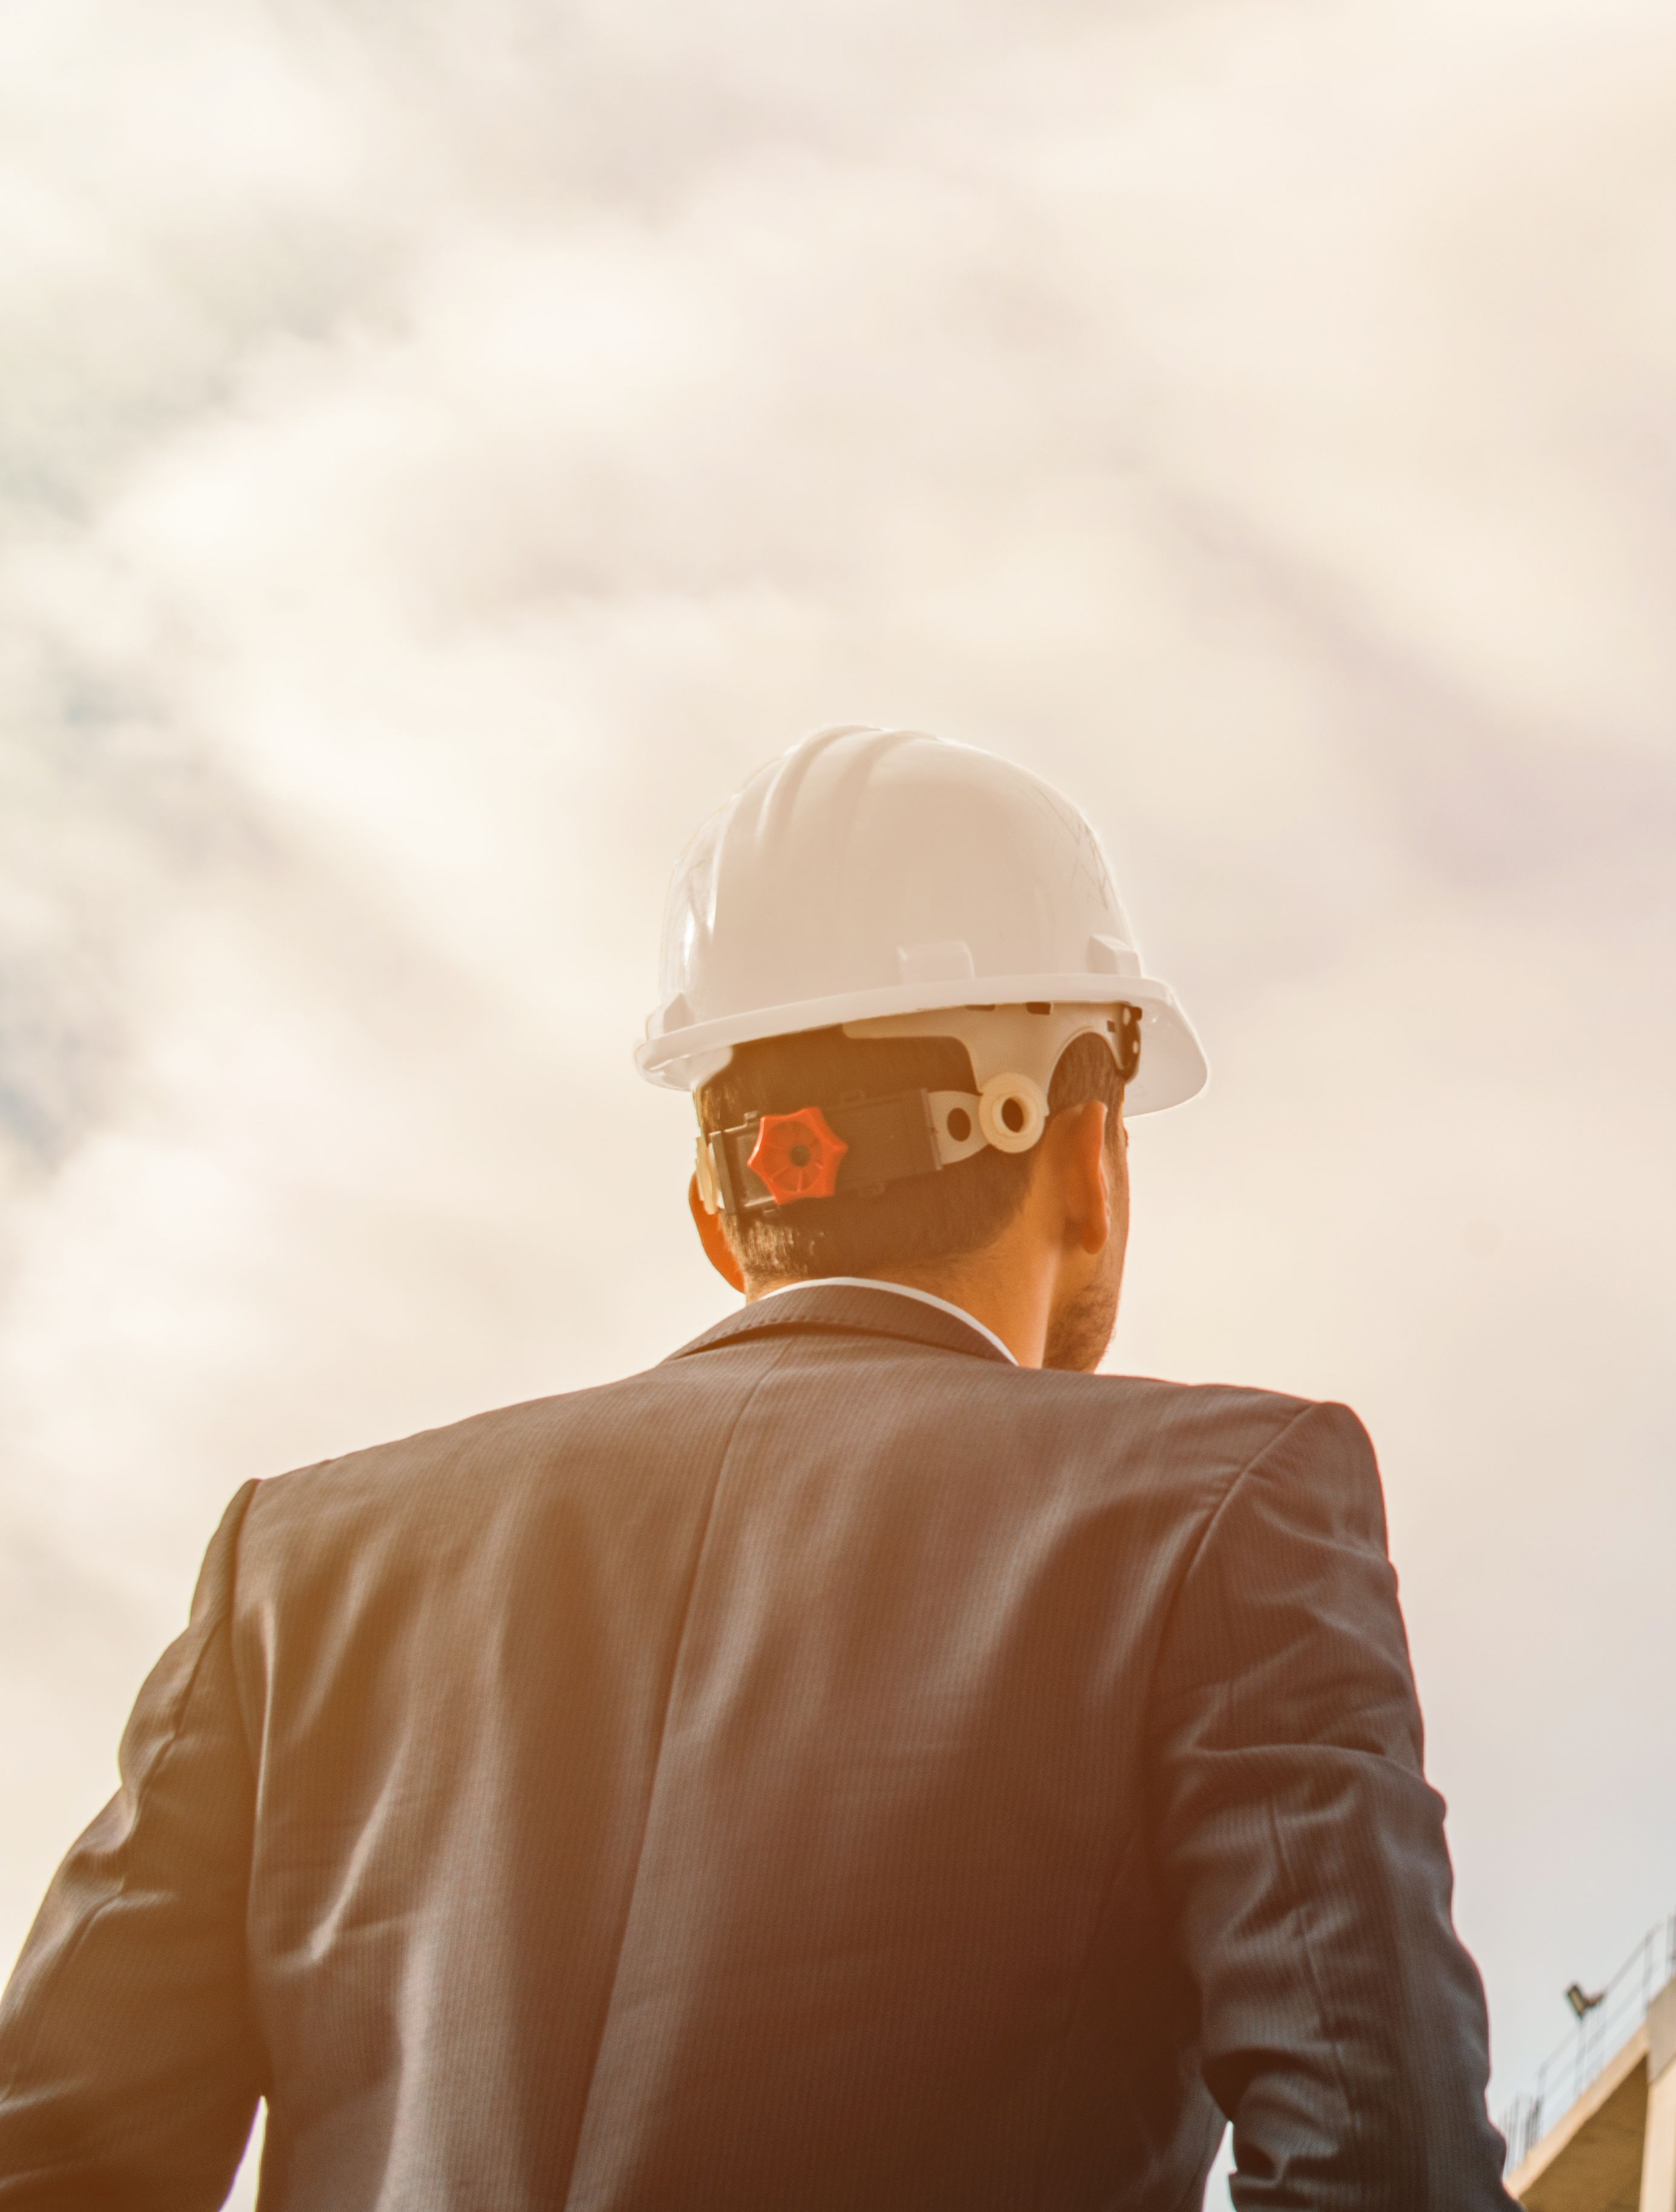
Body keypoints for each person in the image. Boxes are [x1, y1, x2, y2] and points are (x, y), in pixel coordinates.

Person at [0, 724, 1515, 2212]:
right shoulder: (1221, 1513)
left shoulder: (302, 1569)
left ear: (719, 1211)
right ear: (1089, 1153)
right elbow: (1385, 2172)